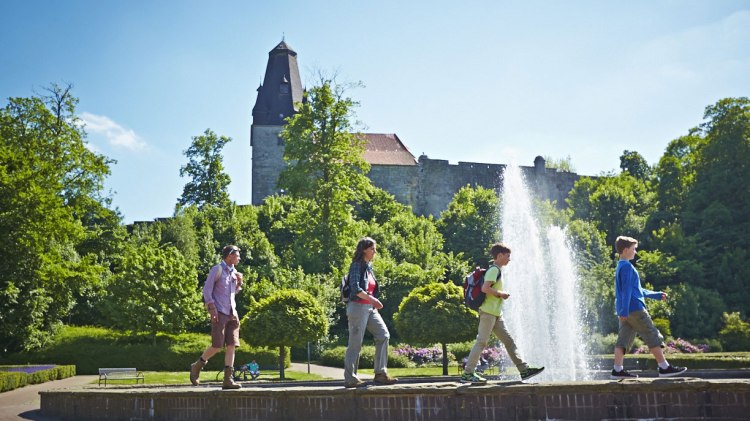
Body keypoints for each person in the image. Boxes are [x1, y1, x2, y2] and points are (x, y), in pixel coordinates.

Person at [461, 243, 544, 384]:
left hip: (496, 314)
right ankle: (468, 373)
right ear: (499, 256)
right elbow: (485, 288)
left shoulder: (497, 270)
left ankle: (524, 370)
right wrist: (501, 294)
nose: (509, 259)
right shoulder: (494, 270)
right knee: (481, 342)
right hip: (488, 313)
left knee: (509, 342)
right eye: (507, 256)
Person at [611, 236, 687, 379]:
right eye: (634, 249)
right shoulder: (627, 266)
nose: (635, 252)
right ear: (626, 250)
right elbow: (627, 291)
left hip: (625, 310)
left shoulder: (620, 266)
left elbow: (635, 290)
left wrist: (656, 295)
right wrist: (625, 311)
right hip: (634, 309)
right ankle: (664, 368)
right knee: (651, 334)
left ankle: (617, 370)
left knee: (623, 340)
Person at [343, 237, 398, 388]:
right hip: (357, 307)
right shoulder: (357, 265)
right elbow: (355, 288)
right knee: (355, 343)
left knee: (383, 335)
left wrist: (372, 302)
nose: (375, 251)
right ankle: (350, 378)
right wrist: (372, 300)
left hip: (369, 308)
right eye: (372, 248)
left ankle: (380, 374)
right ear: (364, 250)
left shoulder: (369, 267)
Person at [189, 245, 245, 389]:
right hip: (219, 312)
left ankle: (228, 380)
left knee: (232, 345)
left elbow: (233, 293)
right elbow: (207, 291)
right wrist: (212, 309)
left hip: (233, 313)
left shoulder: (234, 273)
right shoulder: (217, 269)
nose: (239, 258)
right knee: (217, 345)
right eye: (237, 255)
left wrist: (239, 283)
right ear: (229, 256)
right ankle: (197, 365)